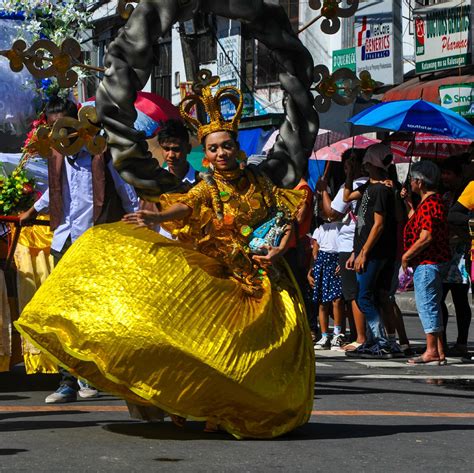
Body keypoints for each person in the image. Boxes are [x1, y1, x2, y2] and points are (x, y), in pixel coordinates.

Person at [15, 76, 314, 439]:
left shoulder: (260, 181)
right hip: (220, 272)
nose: (221, 154)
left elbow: (283, 216)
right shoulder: (207, 185)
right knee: (211, 345)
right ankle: (208, 406)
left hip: (266, 274)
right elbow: (186, 206)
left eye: (226, 146)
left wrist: (280, 246)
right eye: (214, 149)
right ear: (205, 154)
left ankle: (248, 407)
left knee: (265, 349)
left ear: (236, 147)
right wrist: (155, 217)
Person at [19, 96, 139, 403]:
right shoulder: (56, 157)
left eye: (65, 127)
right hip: (64, 241)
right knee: (61, 312)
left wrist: (137, 227)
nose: (60, 135)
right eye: (52, 128)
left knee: (93, 311)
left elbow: (127, 193)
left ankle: (91, 376)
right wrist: (33, 209)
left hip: (96, 240)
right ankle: (67, 380)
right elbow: (56, 190)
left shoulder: (101, 153)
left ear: (78, 124)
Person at [343, 144, 398, 359]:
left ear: (370, 163)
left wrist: (364, 252)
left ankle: (382, 342)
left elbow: (379, 225)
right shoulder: (369, 187)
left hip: (375, 253)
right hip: (366, 250)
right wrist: (349, 174)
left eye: (366, 161)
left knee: (363, 296)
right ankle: (379, 341)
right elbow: (347, 197)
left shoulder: (382, 190)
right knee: (372, 296)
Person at [318, 148, 368, 351]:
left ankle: (359, 336)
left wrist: (323, 190)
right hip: (359, 243)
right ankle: (360, 335)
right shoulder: (368, 184)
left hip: (349, 244)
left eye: (350, 163)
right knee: (358, 293)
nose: (348, 167)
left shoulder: (354, 186)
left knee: (351, 294)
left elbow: (332, 213)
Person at [401, 161, 451, 365]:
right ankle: (438, 350)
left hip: (429, 261)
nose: (410, 182)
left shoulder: (431, 204)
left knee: (427, 305)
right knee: (432, 305)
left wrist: (406, 256)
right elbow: (417, 222)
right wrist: (408, 204)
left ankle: (431, 350)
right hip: (431, 261)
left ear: (420, 182)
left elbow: (426, 236)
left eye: (412, 179)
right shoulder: (429, 203)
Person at [439, 156, 471, 357]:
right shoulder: (445, 197)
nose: (445, 177)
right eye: (443, 173)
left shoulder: (467, 193)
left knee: (460, 299)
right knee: (439, 296)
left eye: (449, 173)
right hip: (444, 252)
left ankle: (461, 342)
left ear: (459, 176)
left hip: (461, 254)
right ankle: (440, 340)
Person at [307, 216, 344, 350]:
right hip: (322, 263)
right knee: (322, 302)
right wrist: (311, 269)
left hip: (336, 262)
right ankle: (324, 336)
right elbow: (315, 250)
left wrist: (342, 262)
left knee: (337, 300)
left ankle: (337, 334)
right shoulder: (320, 229)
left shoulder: (341, 226)